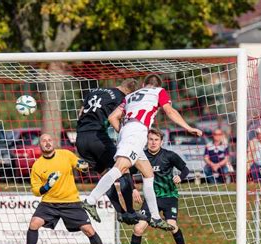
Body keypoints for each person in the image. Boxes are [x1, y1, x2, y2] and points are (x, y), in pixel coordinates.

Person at [81, 74, 203, 231]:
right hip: (137, 131)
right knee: (120, 168)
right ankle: (90, 200)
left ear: (144, 84)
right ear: (158, 85)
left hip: (129, 131)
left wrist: (124, 133)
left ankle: (155, 217)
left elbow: (112, 117)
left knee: (148, 173)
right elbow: (170, 111)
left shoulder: (131, 96)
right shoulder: (159, 91)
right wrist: (189, 128)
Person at [23, 134, 112, 244]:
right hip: (49, 203)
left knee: (88, 230)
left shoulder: (65, 154)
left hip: (71, 202)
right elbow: (35, 190)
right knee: (34, 224)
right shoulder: (37, 165)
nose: (47, 143)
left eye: (49, 140)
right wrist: (47, 186)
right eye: (44, 141)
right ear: (40, 145)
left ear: (53, 142)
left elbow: (79, 164)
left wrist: (83, 166)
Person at [76, 79, 144, 225]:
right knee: (123, 169)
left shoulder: (94, 91)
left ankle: (120, 212)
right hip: (97, 138)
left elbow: (80, 112)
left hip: (80, 139)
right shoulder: (122, 98)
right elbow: (116, 118)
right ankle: (130, 213)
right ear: (130, 92)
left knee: (105, 175)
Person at [128, 128, 191, 244]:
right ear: (146, 141)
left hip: (169, 197)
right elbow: (127, 172)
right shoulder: (141, 157)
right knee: (138, 229)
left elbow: (185, 169)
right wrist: (133, 189)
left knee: (172, 226)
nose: (153, 142)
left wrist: (180, 177)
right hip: (151, 199)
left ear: (161, 142)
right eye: (150, 139)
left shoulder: (169, 155)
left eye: (156, 140)